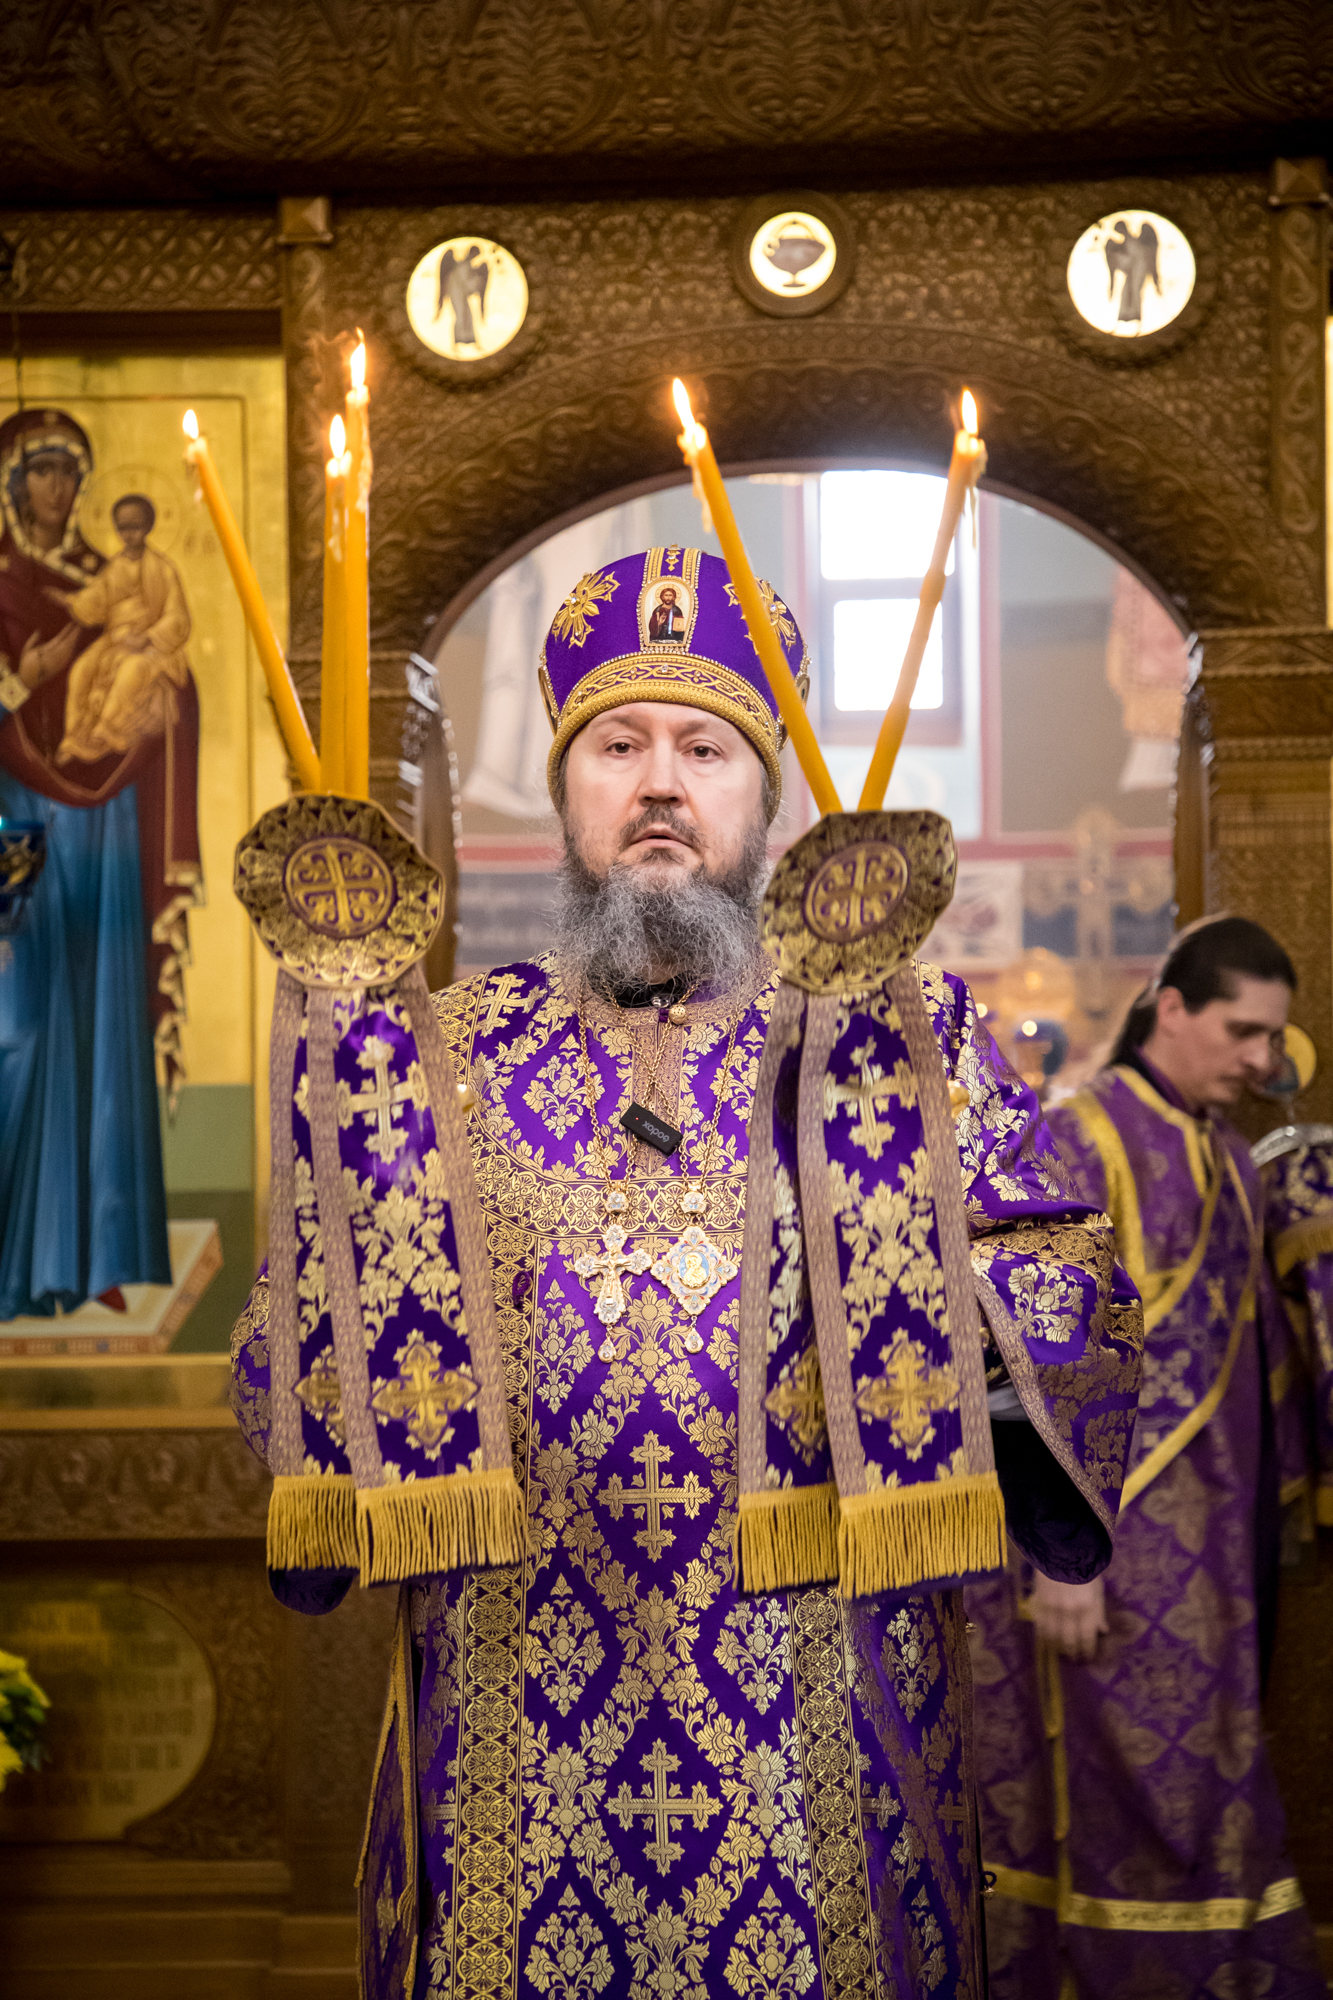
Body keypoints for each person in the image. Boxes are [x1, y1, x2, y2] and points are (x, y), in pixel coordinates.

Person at [232, 547, 1143, 1998]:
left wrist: (938, 1321)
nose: (659, 783)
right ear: (565, 794)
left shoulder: (895, 1037)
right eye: (617, 746)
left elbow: (1069, 1284)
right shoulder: (438, 1055)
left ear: (761, 799)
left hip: (822, 1706)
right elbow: (284, 1357)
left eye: (703, 750)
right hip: (512, 1708)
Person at [968, 916, 1323, 1998]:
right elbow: (1025, 1358)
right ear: (1171, 1008)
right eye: (1241, 1030)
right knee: (1115, 1790)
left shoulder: (1226, 1151)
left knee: (1204, 1780)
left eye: (1271, 1038)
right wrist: (1060, 1558)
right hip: (1108, 1551)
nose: (1260, 1058)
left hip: (1215, 1548)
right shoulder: (1081, 1137)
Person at [0, 408, 200, 1320]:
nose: (58, 486)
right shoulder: (7, 582)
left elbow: (174, 668)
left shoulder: (110, 575)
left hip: (106, 813)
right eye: (42, 470)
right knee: (24, 1020)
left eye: (68, 472)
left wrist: (166, 699)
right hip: (15, 815)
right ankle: (24, 1261)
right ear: (15, 485)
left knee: (106, 1009)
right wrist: (25, 678)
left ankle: (98, 1258)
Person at [57, 494, 192, 766]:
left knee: (131, 671)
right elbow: (97, 600)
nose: (128, 534)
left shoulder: (163, 569)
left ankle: (105, 732)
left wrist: (148, 637)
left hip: (152, 646)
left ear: (148, 526)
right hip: (116, 641)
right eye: (122, 528)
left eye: (135, 527)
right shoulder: (115, 567)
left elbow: (178, 617)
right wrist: (71, 601)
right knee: (82, 669)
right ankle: (74, 735)